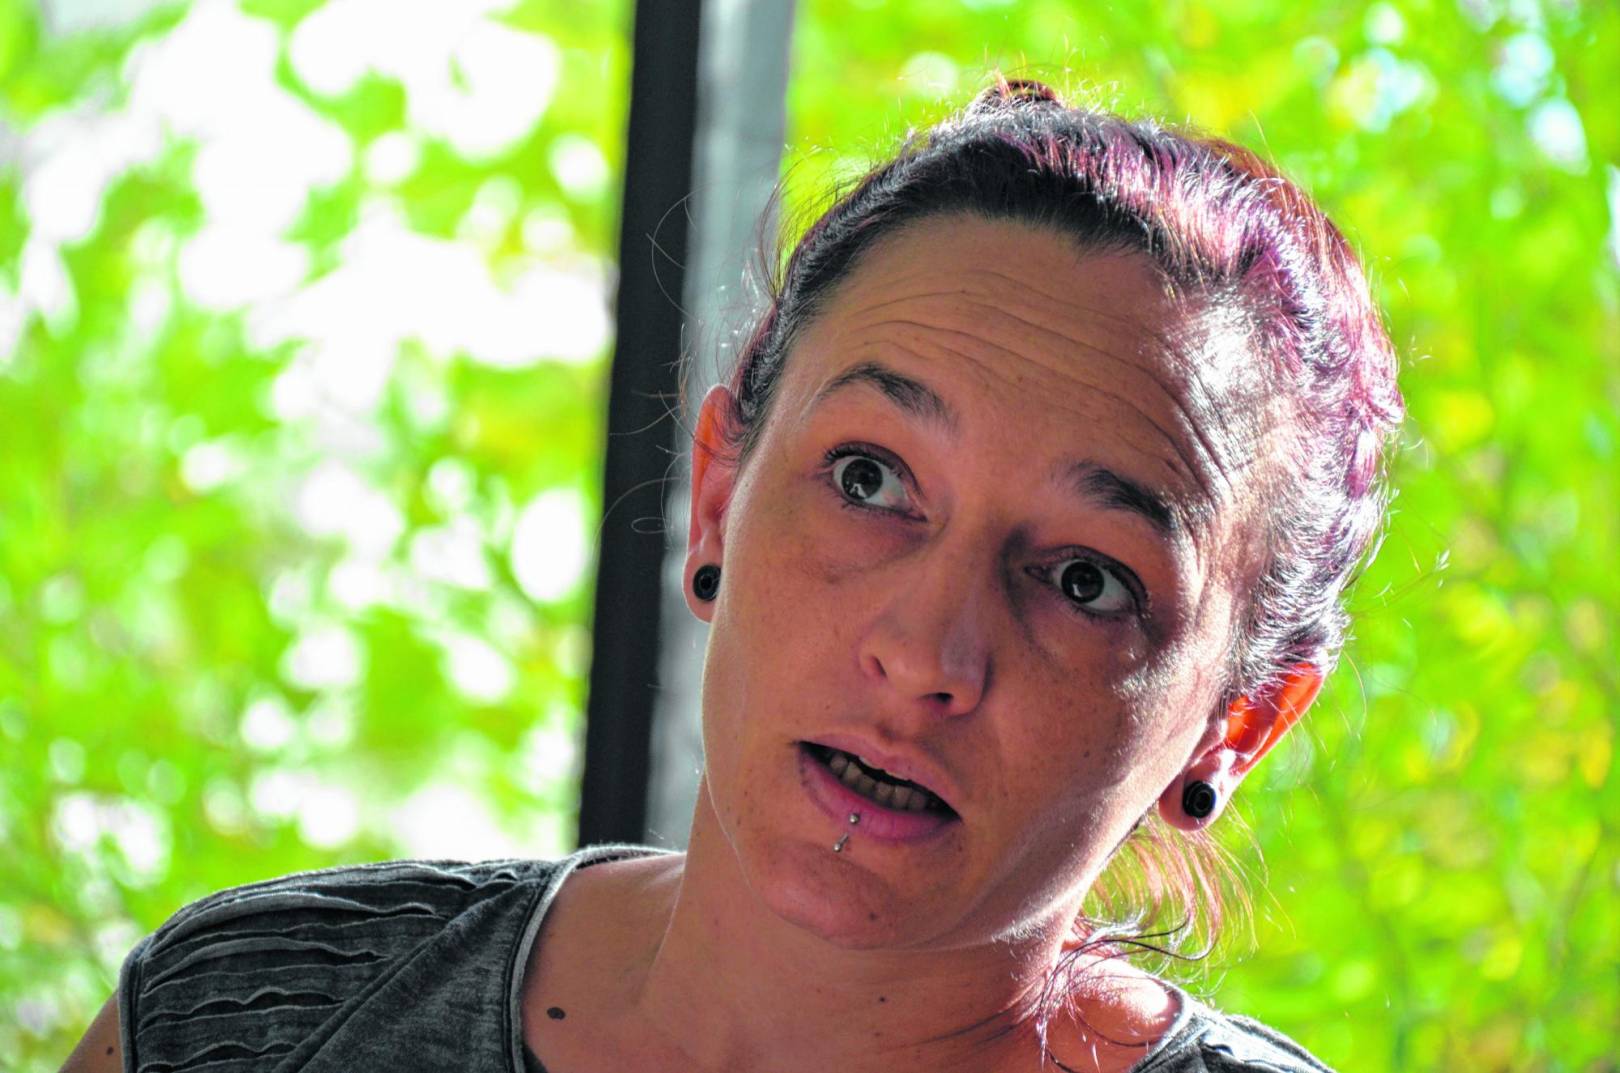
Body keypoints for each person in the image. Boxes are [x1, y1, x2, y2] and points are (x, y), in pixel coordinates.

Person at [62, 78, 1403, 1073]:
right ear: (718, 499)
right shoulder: (246, 1018)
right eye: (870, 478)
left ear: (1240, 721)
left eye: (1087, 580)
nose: (925, 654)